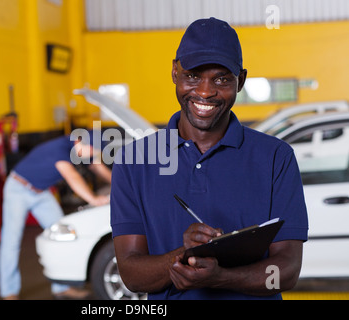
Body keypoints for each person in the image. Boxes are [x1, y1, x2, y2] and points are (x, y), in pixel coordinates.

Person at [110, 17, 308, 300]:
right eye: (193, 76)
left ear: (240, 80)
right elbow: (131, 275)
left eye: (221, 79)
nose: (204, 91)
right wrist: (186, 256)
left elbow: (286, 272)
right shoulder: (133, 161)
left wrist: (221, 277)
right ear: (174, 72)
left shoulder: (276, 157)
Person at [0, 131, 111, 300]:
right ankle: (9, 293)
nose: (93, 155)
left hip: (40, 192)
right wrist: (94, 199)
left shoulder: (80, 149)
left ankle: (62, 288)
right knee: (11, 241)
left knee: (63, 232)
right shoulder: (59, 149)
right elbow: (71, 176)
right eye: (92, 150)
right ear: (80, 142)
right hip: (18, 188)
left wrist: (122, 184)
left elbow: (97, 167)